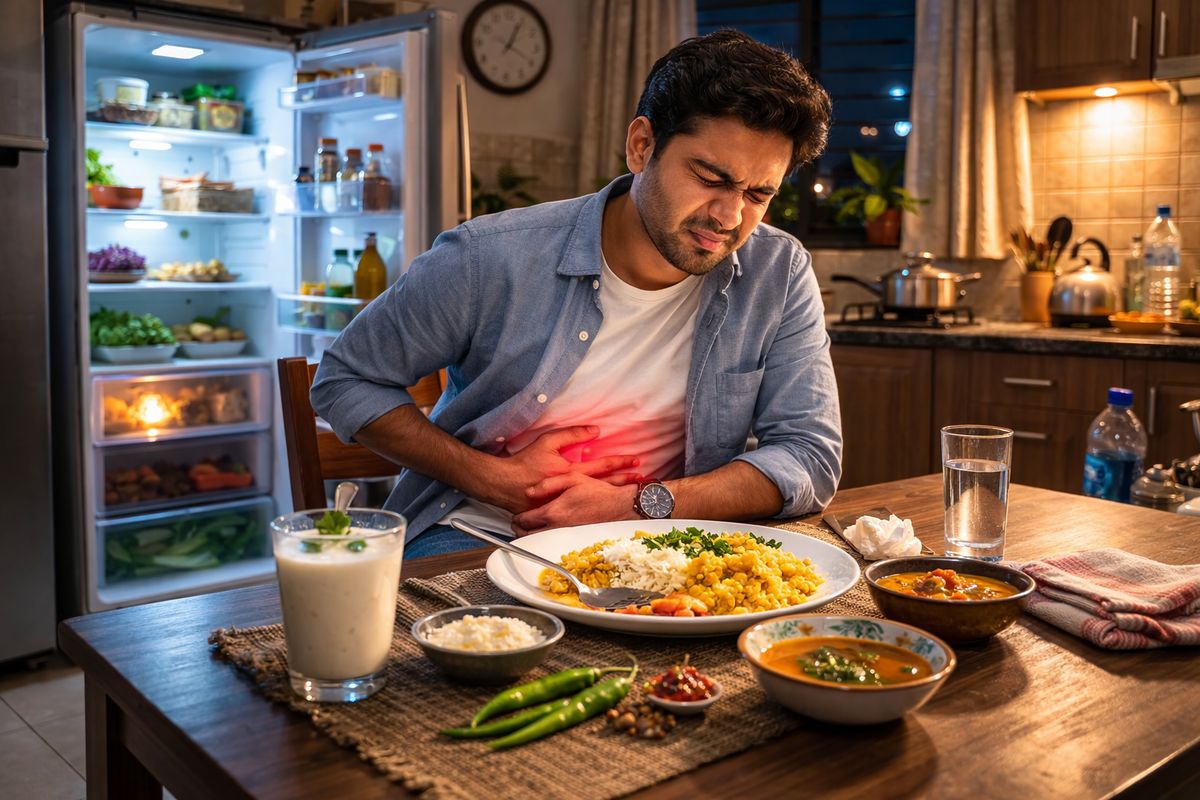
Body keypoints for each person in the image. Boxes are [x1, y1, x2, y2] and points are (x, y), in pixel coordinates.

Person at [311, 29, 842, 558]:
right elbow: (345, 380)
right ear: (642, 145)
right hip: (482, 533)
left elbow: (809, 455)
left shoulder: (779, 271)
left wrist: (639, 505)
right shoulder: (489, 256)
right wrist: (495, 480)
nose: (729, 217)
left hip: (670, 544)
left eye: (757, 195)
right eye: (709, 177)